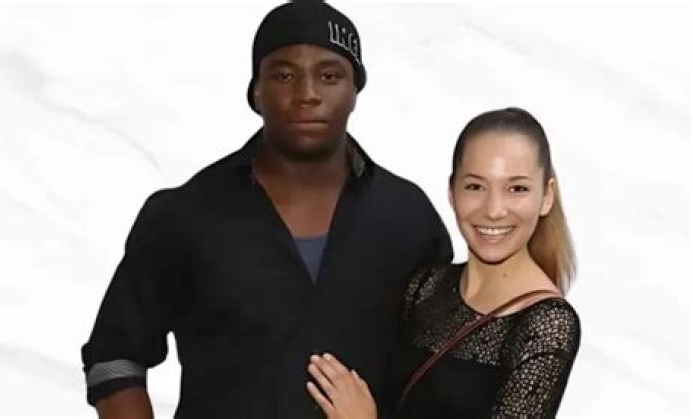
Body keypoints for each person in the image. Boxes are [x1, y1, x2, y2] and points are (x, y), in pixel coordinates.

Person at [80, 1, 452, 418]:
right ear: (256, 91)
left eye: (330, 76)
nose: (307, 94)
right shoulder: (184, 215)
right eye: (284, 75)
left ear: (355, 91)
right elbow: (114, 357)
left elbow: (445, 373)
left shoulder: (408, 219)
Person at [307, 107, 581, 418]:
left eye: (517, 189)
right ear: (452, 192)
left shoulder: (546, 324)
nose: (494, 210)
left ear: (546, 196)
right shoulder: (424, 287)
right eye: (475, 187)